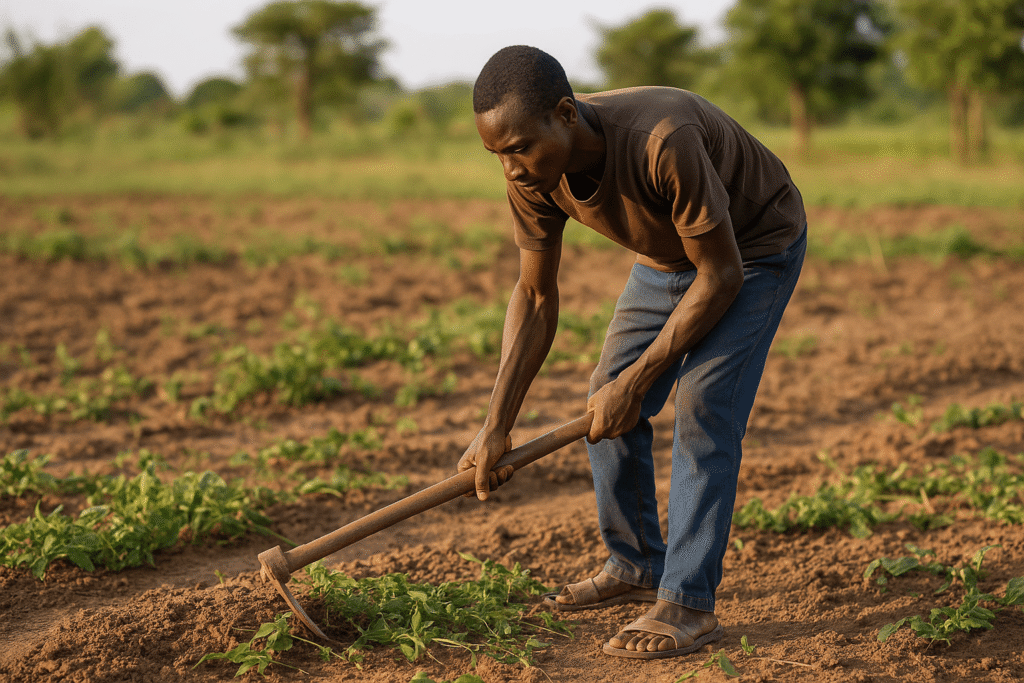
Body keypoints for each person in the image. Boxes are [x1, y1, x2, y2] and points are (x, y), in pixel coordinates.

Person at [457, 45, 806, 660]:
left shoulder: (661, 137)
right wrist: (495, 427)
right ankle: (636, 563)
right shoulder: (534, 175)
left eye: (518, 149)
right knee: (607, 396)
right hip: (670, 256)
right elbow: (536, 297)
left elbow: (721, 275)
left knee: (703, 408)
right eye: (496, 154)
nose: (510, 168)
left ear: (566, 115)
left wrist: (640, 381)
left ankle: (688, 602)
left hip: (751, 250)